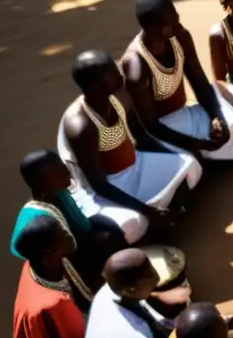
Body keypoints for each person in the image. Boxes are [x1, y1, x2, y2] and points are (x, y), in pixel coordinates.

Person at [59, 50, 201, 244]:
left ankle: (167, 214)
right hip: (110, 185)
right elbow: (98, 184)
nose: (119, 72)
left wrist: (178, 153)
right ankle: (155, 220)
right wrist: (145, 210)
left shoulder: (121, 96)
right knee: (132, 223)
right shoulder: (81, 126)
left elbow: (142, 137)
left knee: (189, 164)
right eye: (111, 71)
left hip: (137, 165)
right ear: (96, 85)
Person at [121, 0, 233, 162]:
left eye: (177, 17)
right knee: (188, 158)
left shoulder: (181, 36)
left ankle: (209, 159)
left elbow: (200, 83)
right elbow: (150, 126)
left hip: (186, 115)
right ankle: (204, 159)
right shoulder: (136, 65)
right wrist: (196, 144)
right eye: (173, 22)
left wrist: (215, 116)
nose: (178, 24)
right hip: (161, 129)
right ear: (159, 29)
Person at [10, 150, 128, 302]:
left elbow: (83, 226)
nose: (67, 170)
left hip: (75, 244)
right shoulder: (39, 219)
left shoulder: (58, 193)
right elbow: (57, 261)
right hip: (69, 264)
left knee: (110, 230)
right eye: (59, 170)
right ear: (45, 182)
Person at [11, 215, 87, 338]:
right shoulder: (54, 303)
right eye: (62, 235)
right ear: (49, 254)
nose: (68, 235)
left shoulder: (36, 264)